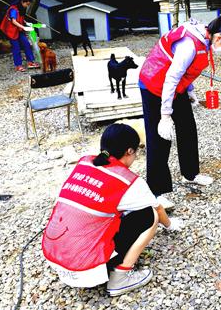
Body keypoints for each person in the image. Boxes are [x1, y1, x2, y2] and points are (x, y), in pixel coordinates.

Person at [41, 124, 184, 296]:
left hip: (57, 257)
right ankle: (121, 277)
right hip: (86, 266)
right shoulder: (128, 181)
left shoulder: (84, 163)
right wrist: (171, 225)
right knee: (150, 215)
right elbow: (159, 210)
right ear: (130, 151)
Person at [138, 15, 221, 209]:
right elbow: (171, 76)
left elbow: (188, 70)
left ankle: (190, 174)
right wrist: (165, 115)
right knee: (159, 137)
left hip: (176, 87)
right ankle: (156, 191)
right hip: (154, 84)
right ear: (219, 38)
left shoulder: (205, 38)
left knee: (187, 127)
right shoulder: (189, 44)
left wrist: (190, 91)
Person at [0, 0, 40, 72]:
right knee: (16, 48)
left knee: (26, 44)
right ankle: (18, 66)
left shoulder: (21, 9)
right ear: (22, 2)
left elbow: (20, 18)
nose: (27, 6)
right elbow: (13, 21)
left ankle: (30, 62)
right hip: (11, 31)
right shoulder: (13, 9)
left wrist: (26, 23)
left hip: (18, 30)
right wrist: (23, 27)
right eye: (27, 4)